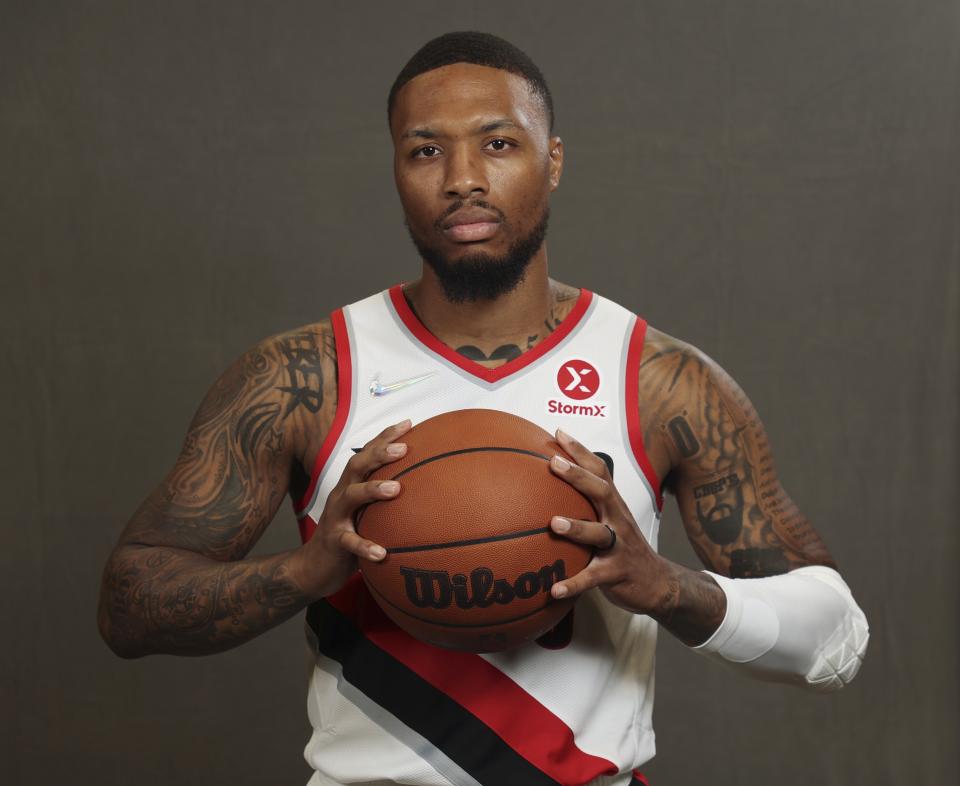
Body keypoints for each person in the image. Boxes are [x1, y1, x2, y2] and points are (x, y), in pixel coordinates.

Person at [98, 31, 869, 786]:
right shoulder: (306, 376)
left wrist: (665, 585)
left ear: (554, 160)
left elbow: (838, 639)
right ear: (397, 170)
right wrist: (307, 570)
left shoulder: (658, 380)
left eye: (498, 144)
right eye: (426, 150)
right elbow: (129, 606)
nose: (463, 178)